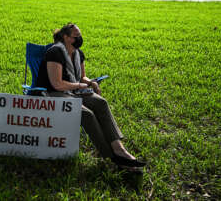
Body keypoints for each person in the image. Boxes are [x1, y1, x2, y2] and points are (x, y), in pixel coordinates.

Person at [36, 23, 146, 169]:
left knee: (101, 103)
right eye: (76, 36)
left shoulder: (78, 53)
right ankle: (112, 157)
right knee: (85, 114)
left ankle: (120, 149)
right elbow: (57, 84)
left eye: (80, 35)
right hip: (52, 93)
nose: (80, 38)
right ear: (66, 37)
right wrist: (81, 86)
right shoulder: (54, 52)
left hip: (73, 91)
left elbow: (82, 77)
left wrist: (91, 82)